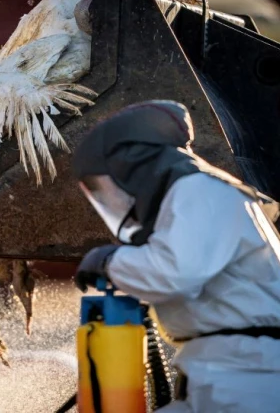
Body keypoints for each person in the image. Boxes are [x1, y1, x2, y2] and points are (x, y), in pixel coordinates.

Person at [70, 99, 280, 412]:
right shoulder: (200, 192)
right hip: (234, 374)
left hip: (247, 379)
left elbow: (175, 273)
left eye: (112, 189)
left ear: (136, 170)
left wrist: (110, 262)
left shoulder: (198, 190)